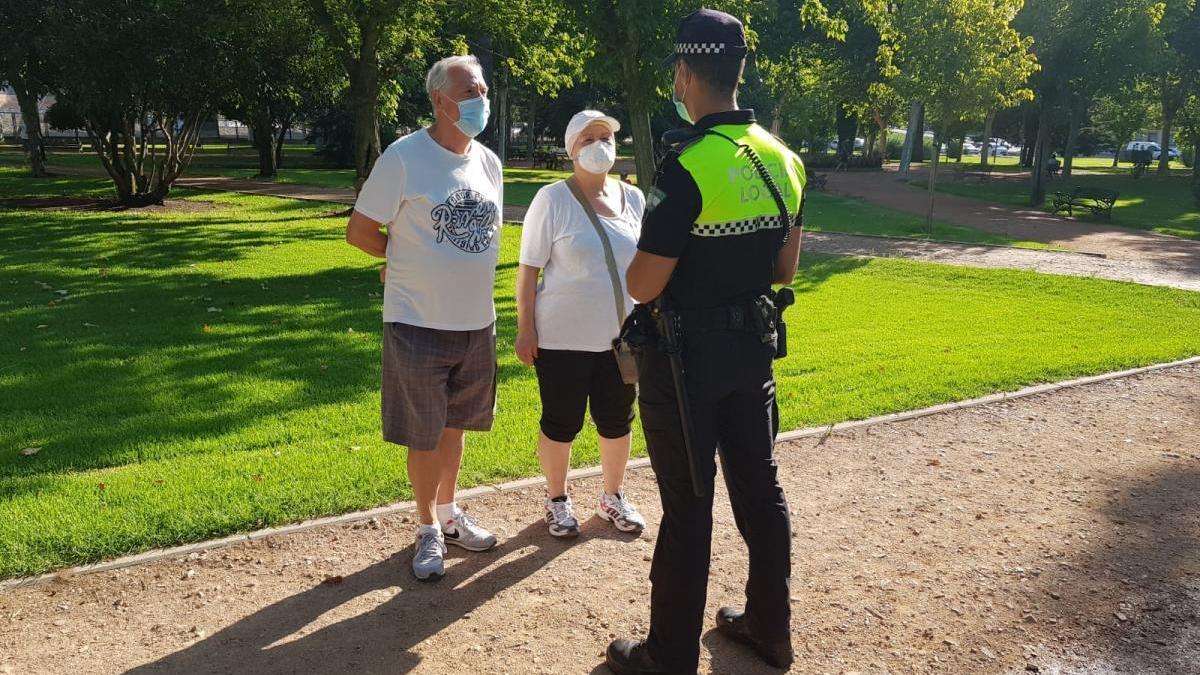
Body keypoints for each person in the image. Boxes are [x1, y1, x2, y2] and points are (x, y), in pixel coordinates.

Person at [605, 9, 806, 675]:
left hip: (684, 363)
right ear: (739, 71)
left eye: (677, 74)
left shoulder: (687, 167)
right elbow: (785, 270)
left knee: (688, 504)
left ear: (688, 73)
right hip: (754, 352)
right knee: (760, 489)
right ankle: (770, 629)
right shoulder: (785, 160)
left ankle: (669, 656)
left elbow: (641, 280)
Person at [345, 54, 502, 582]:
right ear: (439, 99)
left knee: (456, 426)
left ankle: (450, 513)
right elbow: (361, 230)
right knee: (423, 433)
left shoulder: (489, 162)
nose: (481, 99)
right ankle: (427, 527)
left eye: (482, 89)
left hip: (476, 322)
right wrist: (399, 260)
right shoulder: (404, 157)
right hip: (417, 322)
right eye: (469, 90)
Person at [515, 110, 648, 539]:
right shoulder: (552, 200)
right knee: (561, 421)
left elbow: (644, 267)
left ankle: (613, 496)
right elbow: (528, 271)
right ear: (572, 148)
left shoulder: (634, 199)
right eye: (589, 138)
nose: (599, 144)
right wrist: (526, 329)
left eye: (606, 135)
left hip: (621, 341)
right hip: (561, 339)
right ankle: (557, 499)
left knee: (618, 420)